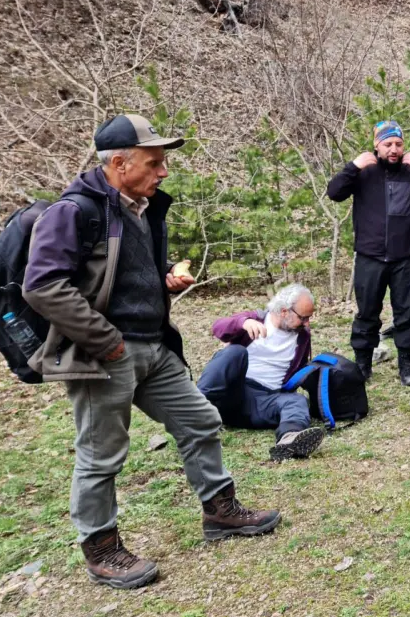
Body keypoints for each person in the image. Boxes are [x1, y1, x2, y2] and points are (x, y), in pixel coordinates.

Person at [22, 114, 279, 590]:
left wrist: (164, 282)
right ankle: (102, 550)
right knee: (101, 456)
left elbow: (118, 275)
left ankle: (220, 512)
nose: (163, 172)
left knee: (200, 420)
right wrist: (107, 341)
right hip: (105, 353)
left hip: (153, 346)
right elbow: (43, 287)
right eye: (154, 163)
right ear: (119, 163)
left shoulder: (142, 208)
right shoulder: (74, 212)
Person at [326, 119, 410, 387]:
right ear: (376, 145)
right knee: (367, 312)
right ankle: (362, 363)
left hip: (405, 258)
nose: (394, 149)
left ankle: (407, 364)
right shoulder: (363, 171)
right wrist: (353, 165)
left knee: (405, 314)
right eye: (388, 144)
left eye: (398, 144)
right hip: (370, 257)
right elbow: (334, 193)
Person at [197, 284, 326, 462]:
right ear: (284, 311)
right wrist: (242, 323)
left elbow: (299, 369)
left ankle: (290, 439)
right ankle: (196, 413)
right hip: (233, 393)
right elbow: (218, 328)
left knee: (297, 400)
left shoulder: (302, 336)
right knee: (234, 352)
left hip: (266, 401)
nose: (307, 323)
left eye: (309, 318)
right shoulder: (255, 319)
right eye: (303, 318)